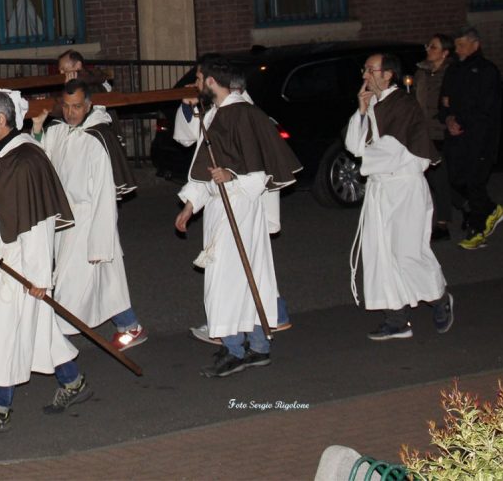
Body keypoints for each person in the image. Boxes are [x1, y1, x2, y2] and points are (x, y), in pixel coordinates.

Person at [0, 90, 85, 437]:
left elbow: (39, 224)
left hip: (22, 266)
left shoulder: (28, 160)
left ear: (1, 120)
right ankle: (72, 381)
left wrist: (40, 277)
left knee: (4, 337)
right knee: (41, 331)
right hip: (1, 263)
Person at [172, 54, 301, 378]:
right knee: (239, 280)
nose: (195, 85)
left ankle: (236, 349)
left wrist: (232, 176)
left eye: (198, 79)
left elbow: (260, 174)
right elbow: (206, 168)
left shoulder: (244, 114)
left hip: (241, 209)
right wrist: (190, 205)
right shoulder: (215, 114)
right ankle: (255, 346)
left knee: (230, 280)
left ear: (211, 81)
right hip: (221, 208)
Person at [346, 53, 454, 341]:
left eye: (371, 70)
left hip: (404, 187)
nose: (365, 75)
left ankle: (439, 297)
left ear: (388, 74)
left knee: (407, 252)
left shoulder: (403, 105)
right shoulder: (372, 104)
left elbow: (392, 151)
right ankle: (396, 318)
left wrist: (367, 155)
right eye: (364, 69)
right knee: (380, 254)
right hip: (380, 189)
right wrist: (361, 111)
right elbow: (353, 146)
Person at [32, 79, 144, 351]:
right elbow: (41, 159)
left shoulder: (97, 139)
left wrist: (100, 242)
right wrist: (36, 130)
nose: (70, 113)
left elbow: (105, 196)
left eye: (77, 107)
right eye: (66, 106)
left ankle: (56, 346)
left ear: (89, 105)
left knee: (70, 284)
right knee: (105, 281)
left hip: (88, 220)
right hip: (64, 217)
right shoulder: (58, 131)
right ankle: (130, 325)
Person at [438, 27, 503, 250]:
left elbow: (485, 107)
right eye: (456, 45)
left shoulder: (487, 71)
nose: (457, 50)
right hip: (456, 139)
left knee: (475, 182)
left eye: (462, 45)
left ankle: (478, 231)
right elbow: (444, 102)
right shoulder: (453, 70)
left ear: (475, 45)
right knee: (455, 179)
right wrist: (448, 118)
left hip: (479, 138)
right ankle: (491, 209)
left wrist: (462, 121)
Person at [412, 34, 455, 241]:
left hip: (443, 130)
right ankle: (464, 206)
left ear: (445, 53)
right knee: (431, 177)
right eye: (428, 45)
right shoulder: (422, 72)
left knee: (440, 177)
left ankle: (443, 224)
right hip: (424, 131)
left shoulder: (451, 73)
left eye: (434, 47)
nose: (428, 49)